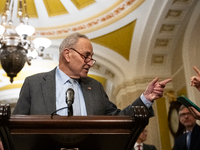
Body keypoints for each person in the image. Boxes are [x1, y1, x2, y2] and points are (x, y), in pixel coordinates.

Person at [13, 32, 171, 116]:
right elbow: (15, 126)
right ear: (67, 54)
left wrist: (145, 99)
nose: (90, 62)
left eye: (92, 57)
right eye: (86, 56)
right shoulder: (34, 84)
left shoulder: (95, 87)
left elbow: (119, 119)